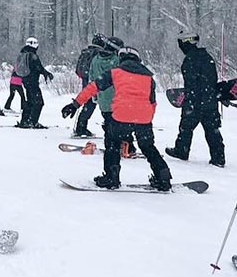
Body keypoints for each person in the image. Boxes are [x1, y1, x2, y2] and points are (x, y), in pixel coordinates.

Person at [63, 46, 171, 191]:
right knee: (148, 147)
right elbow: (153, 102)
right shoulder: (149, 78)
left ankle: (111, 178)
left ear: (121, 58)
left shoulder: (115, 73)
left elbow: (92, 87)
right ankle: (163, 177)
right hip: (143, 117)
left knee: (113, 145)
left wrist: (75, 104)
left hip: (121, 115)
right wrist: (146, 118)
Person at [166, 31, 226, 168]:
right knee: (213, 130)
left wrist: (190, 100)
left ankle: (182, 151)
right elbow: (212, 80)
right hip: (210, 100)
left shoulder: (190, 60)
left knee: (186, 128)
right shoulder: (207, 57)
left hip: (195, 101)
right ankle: (219, 157)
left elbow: (191, 83)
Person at [15, 37, 54, 128]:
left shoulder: (22, 53)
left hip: (25, 81)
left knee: (30, 101)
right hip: (33, 82)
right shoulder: (32, 55)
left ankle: (24, 120)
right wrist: (47, 74)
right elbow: (38, 68)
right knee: (39, 102)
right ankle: (33, 121)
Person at [72, 38, 100, 137]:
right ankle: (81, 128)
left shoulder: (85, 52)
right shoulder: (98, 53)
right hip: (95, 81)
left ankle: (80, 127)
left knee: (87, 103)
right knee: (91, 105)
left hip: (85, 80)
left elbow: (78, 69)